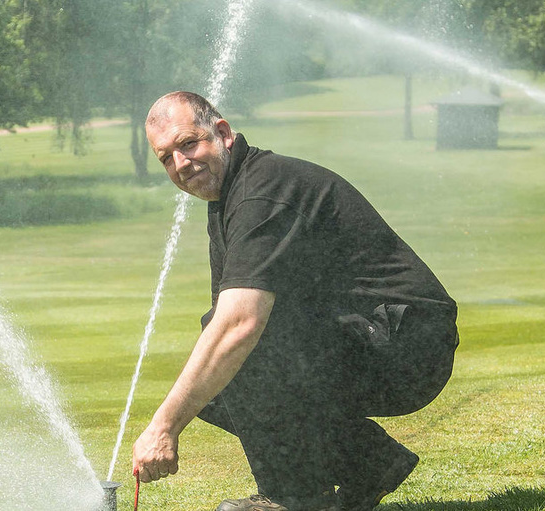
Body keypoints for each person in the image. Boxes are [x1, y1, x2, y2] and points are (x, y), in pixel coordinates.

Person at [130, 91, 459, 511]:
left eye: (188, 143)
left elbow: (240, 325)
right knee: (213, 380)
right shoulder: (231, 197)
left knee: (239, 347)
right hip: (371, 336)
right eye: (165, 158)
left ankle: (294, 500)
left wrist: (164, 427)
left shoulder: (262, 192)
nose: (180, 164)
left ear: (223, 134)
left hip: (408, 344)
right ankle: (369, 465)